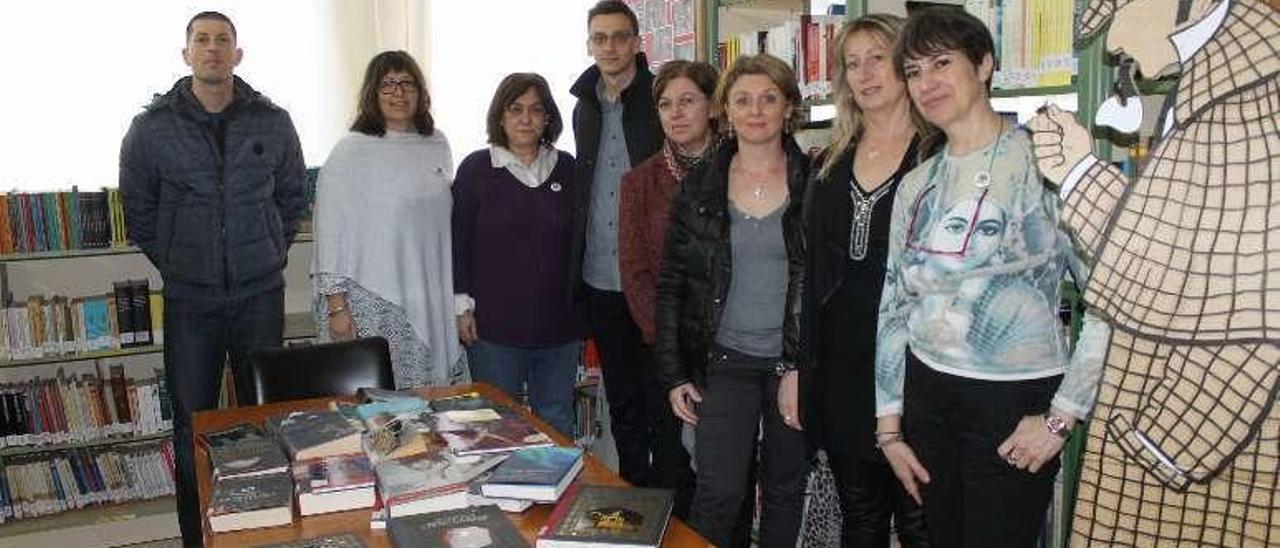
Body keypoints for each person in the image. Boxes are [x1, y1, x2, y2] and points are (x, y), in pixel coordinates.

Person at [1029, 0, 1279, 545]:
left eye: (1111, 17)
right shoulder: (1222, 78)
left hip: (1184, 447)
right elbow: (1184, 250)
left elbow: (1231, 299)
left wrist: (1078, 177)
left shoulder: (1250, 100)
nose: (1111, 44)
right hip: (1168, 434)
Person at [872, 8, 1110, 547]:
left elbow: (1112, 302)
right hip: (928, 401)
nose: (926, 83)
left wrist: (1061, 417)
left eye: (941, 63)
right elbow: (893, 308)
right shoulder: (916, 184)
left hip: (1015, 405)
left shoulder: (1046, 164)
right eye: (913, 72)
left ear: (984, 65)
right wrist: (889, 430)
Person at [118, 11, 308, 545]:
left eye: (222, 40)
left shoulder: (272, 121)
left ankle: (266, 530)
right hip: (190, 301)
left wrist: (268, 250)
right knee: (191, 425)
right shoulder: (151, 128)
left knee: (265, 418)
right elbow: (140, 212)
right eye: (201, 40)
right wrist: (180, 260)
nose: (212, 48)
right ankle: (196, 537)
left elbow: (292, 197)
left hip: (259, 296)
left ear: (237, 54)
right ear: (186, 55)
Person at [655, 54, 809, 548]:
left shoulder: (816, 184)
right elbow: (673, 283)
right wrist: (675, 372)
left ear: (789, 107)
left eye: (769, 98)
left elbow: (821, 288)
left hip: (791, 367)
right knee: (717, 494)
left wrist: (799, 367)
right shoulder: (700, 187)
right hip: (724, 362)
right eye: (742, 99)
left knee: (786, 493)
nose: (756, 110)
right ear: (724, 109)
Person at [796, 14, 933, 548]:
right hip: (843, 368)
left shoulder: (938, 154)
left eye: (878, 57)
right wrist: (795, 367)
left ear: (906, 64)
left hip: (914, 372)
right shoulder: (829, 162)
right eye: (852, 64)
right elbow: (806, 274)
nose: (865, 73)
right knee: (861, 516)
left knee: (922, 519)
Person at [311, 50, 465, 389]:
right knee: (377, 412)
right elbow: (329, 231)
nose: (399, 92)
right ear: (371, 93)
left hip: (427, 294)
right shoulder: (350, 151)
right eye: (388, 84)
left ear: (421, 92)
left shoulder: (437, 143)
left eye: (407, 83)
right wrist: (337, 307)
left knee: (425, 412)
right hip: (370, 302)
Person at [452, 73, 583, 437]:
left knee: (556, 420)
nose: (525, 118)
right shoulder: (477, 169)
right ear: (500, 117)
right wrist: (461, 307)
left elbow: (582, 244)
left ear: (548, 118)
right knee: (496, 425)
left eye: (535, 110)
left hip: (560, 326)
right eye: (515, 109)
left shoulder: (569, 168)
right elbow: (458, 241)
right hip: (494, 329)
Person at [616, 59, 718, 518]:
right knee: (674, 466)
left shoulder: (744, 168)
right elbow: (634, 270)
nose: (676, 113)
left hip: (733, 347)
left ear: (712, 106)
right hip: (667, 348)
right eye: (665, 104)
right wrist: (669, 343)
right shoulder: (638, 182)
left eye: (688, 101)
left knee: (727, 470)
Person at [568, 0, 663, 488]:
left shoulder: (660, 100)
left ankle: (673, 511)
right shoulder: (582, 107)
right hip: (600, 279)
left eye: (620, 36)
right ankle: (636, 500)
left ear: (636, 43)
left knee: (662, 402)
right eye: (600, 38)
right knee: (623, 402)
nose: (609, 46)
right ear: (589, 44)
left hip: (653, 280)